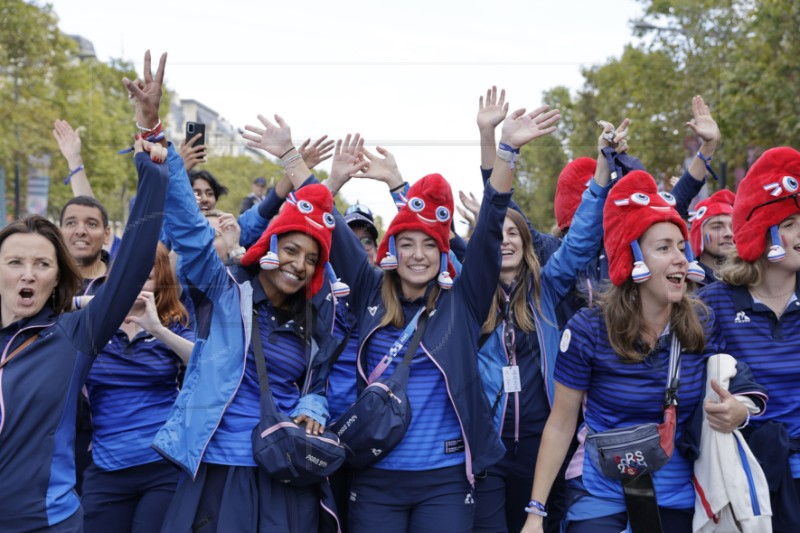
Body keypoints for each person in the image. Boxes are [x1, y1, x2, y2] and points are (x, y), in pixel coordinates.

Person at [241, 102, 560, 532]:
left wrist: (505, 151)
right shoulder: (370, 288)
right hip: (373, 479)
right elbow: (326, 220)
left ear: (442, 252)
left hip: (445, 482)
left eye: (429, 245)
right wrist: (291, 158)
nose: (418, 255)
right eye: (406, 243)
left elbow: (490, 223)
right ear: (391, 248)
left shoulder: (462, 299)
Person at [522, 169, 762, 533]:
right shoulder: (588, 329)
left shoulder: (704, 323)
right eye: (664, 248)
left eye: (682, 247)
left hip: (678, 496)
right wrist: (535, 513)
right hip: (599, 494)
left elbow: (743, 389)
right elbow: (561, 423)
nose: (681, 258)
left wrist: (738, 410)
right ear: (630, 259)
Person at [153, 153, 346, 532]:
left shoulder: (316, 314)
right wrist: (164, 149)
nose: (298, 264)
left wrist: (312, 405)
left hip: (282, 468)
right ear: (269, 247)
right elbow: (191, 233)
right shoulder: (223, 288)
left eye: (311, 258)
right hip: (220, 467)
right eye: (290, 250)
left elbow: (317, 381)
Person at [0, 132, 168, 531]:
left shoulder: (73, 335)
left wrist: (153, 174)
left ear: (58, 278)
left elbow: (131, 267)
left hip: (47, 523)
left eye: (42, 264)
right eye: (14, 262)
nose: (27, 274)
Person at [473, 120, 616, 533]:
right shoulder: (470, 293)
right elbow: (432, 233)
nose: (505, 239)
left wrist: (603, 172)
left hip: (544, 444)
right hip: (488, 449)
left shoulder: (547, 287)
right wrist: (494, 144)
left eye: (513, 232)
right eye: (496, 232)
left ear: (526, 240)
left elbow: (582, 236)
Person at [699, 146, 800, 532]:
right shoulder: (713, 304)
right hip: (744, 478)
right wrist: (735, 412)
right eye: (790, 222)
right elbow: (694, 389)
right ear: (762, 231)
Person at [80, 243, 194, 533]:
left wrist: (158, 329)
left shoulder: (174, 321)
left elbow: (204, 364)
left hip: (162, 464)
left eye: (148, 276)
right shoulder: (92, 322)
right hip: (107, 466)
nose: (138, 281)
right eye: (130, 273)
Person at [688, 189, 735, 286]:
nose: (729, 233)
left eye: (733, 227)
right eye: (717, 227)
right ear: (698, 235)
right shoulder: (687, 281)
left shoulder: (749, 278)